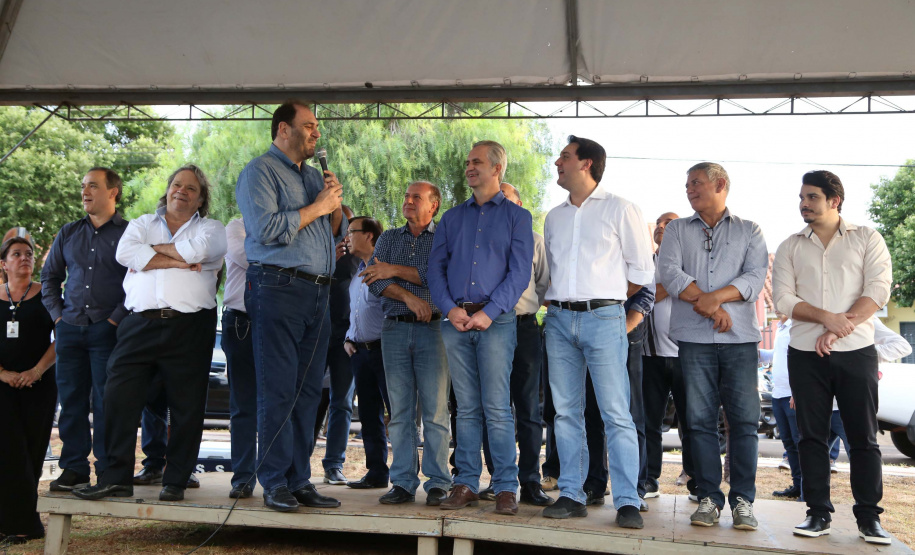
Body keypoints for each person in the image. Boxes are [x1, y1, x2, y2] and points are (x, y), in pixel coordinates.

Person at [73, 164, 226, 502]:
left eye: (190, 188)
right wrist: (180, 261)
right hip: (138, 322)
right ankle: (115, 477)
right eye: (176, 184)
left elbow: (198, 252)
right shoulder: (142, 223)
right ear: (167, 190)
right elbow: (125, 254)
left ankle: (176, 480)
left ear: (201, 199)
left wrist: (152, 254)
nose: (181, 191)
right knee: (117, 398)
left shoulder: (213, 229)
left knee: (186, 406)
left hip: (190, 326)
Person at [772, 170, 893, 544]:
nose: (803, 204)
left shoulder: (867, 238)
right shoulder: (790, 246)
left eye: (811, 197)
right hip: (805, 354)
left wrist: (840, 328)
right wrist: (827, 318)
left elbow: (878, 289)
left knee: (864, 438)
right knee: (811, 437)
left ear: (834, 200)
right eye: (802, 197)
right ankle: (818, 513)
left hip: (856, 352)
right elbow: (783, 300)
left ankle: (869, 518)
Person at [235, 100, 345, 512]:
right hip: (279, 286)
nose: (317, 133)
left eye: (317, 127)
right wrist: (319, 206)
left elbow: (329, 232)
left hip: (318, 292)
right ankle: (274, 481)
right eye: (309, 126)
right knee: (278, 389)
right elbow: (266, 230)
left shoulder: (314, 176)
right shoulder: (259, 172)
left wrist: (331, 205)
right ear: (283, 129)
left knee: (306, 393)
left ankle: (300, 479)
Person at [541, 136, 653, 529]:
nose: (557, 162)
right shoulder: (553, 217)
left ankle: (627, 500)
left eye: (565, 157)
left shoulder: (622, 209)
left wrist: (603, 301)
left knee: (615, 414)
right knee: (565, 413)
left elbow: (642, 273)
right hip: (557, 320)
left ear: (586, 164)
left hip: (604, 318)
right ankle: (571, 493)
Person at [658, 162, 768, 530]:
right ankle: (707, 496)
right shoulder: (675, 229)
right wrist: (709, 307)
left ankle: (742, 502)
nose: (689, 189)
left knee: (744, 423)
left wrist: (713, 301)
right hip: (693, 341)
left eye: (696, 183)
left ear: (720, 185)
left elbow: (755, 276)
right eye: (687, 183)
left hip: (740, 342)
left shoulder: (749, 230)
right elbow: (669, 273)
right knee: (699, 422)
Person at [429, 141, 533, 516]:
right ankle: (466, 483)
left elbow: (520, 273)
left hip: (496, 322)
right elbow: (434, 270)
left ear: (497, 168)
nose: (470, 167)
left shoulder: (519, 218)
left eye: (478, 161)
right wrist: (449, 308)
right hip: (455, 322)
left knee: (497, 407)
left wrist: (490, 312)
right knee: (467, 408)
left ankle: (505, 487)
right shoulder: (452, 219)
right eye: (468, 161)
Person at [40, 167, 128, 493]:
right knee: (72, 404)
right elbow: (49, 278)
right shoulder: (68, 232)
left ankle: (107, 471)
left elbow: (138, 281)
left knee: (107, 404)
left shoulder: (129, 234)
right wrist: (58, 318)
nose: (85, 192)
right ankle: (74, 469)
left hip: (108, 331)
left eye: (93, 186)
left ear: (112, 192)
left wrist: (115, 319)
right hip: (69, 330)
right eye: (83, 187)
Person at [365, 181, 451, 507]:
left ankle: (439, 483)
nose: (409, 201)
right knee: (399, 413)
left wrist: (394, 270)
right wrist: (409, 297)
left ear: (434, 205)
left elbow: (439, 275)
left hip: (435, 330)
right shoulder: (388, 238)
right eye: (406, 196)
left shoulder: (445, 238)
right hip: (395, 330)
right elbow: (375, 280)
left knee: (435, 412)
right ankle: (402, 481)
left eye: (416, 197)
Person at [477, 182, 552, 507]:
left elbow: (544, 285)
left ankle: (531, 482)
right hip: (488, 329)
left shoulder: (536, 242)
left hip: (523, 330)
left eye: (506, 201)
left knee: (527, 410)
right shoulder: (479, 243)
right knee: (492, 408)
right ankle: (498, 480)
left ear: (520, 208)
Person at [0, 237, 57, 544]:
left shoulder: (47, 294)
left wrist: (35, 371)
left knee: (32, 452)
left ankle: (21, 523)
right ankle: (21, 524)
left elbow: (63, 337)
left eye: (29, 254)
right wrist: (3, 374)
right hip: (2, 388)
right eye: (16, 254)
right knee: (9, 451)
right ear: (3, 264)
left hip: (40, 384)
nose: (24, 258)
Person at [642, 211, 697, 501]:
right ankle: (649, 479)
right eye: (659, 224)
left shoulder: (688, 262)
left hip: (685, 355)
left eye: (669, 224)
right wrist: (657, 290)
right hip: (648, 355)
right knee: (649, 421)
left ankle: (696, 482)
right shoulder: (643, 263)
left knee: (692, 422)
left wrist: (651, 291)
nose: (661, 227)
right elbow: (634, 293)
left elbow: (687, 290)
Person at [342, 216, 390, 489]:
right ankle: (376, 473)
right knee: (369, 415)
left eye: (352, 232)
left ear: (370, 235)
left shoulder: (384, 268)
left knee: (396, 412)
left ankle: (407, 476)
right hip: (360, 353)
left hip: (385, 351)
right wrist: (349, 339)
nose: (346, 237)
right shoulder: (357, 271)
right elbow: (358, 312)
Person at [323, 205, 359, 486]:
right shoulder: (313, 242)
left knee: (342, 402)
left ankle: (334, 464)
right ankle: (294, 462)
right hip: (314, 330)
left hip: (346, 334)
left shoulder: (355, 251)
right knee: (306, 398)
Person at [222, 217, 257, 498]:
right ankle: (243, 477)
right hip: (240, 322)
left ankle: (278, 478)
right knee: (243, 405)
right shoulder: (236, 227)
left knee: (279, 404)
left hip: (278, 321)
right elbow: (250, 259)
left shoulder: (291, 226)